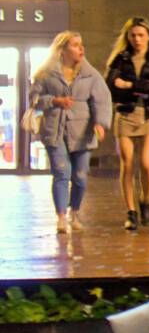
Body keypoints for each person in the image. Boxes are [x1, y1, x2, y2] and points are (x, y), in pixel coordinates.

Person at [29, 31, 111, 234]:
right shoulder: (45, 74)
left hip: (82, 130)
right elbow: (33, 99)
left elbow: (102, 100)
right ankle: (61, 217)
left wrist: (100, 123)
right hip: (54, 130)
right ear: (62, 49)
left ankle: (75, 212)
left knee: (81, 176)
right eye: (75, 45)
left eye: (81, 44)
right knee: (61, 172)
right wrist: (54, 101)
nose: (81, 49)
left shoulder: (91, 75)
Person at [105, 17, 149, 231]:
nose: (137, 39)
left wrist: (131, 84)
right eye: (133, 35)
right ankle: (131, 211)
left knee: (146, 163)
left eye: (141, 35)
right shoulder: (120, 60)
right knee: (128, 163)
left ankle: (146, 200)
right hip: (125, 114)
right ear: (127, 37)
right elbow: (113, 88)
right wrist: (142, 87)